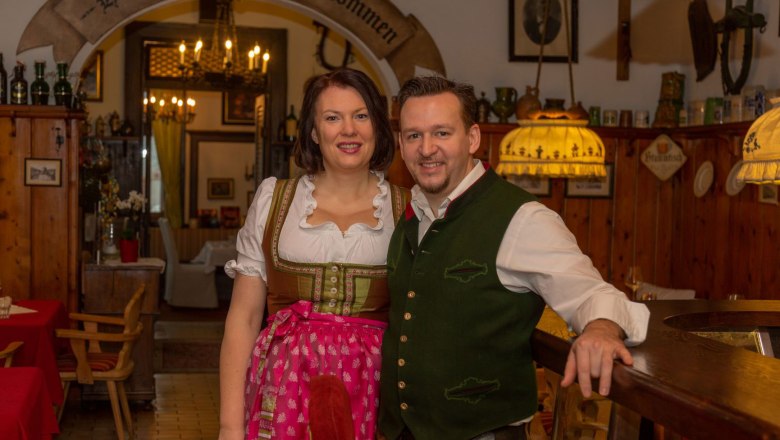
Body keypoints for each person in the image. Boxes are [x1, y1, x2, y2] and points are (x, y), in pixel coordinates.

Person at [379, 76, 650, 440]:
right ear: (401, 143)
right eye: (414, 136)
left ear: (472, 138)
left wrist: (600, 329)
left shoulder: (523, 219)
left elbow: (594, 294)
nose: (427, 148)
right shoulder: (409, 212)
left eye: (442, 133)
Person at [219, 68, 408, 440]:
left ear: (379, 128)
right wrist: (229, 427)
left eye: (361, 115)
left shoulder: (408, 208)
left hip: (376, 391)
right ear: (313, 132)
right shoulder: (275, 200)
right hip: (287, 387)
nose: (348, 130)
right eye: (332, 118)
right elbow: (244, 318)